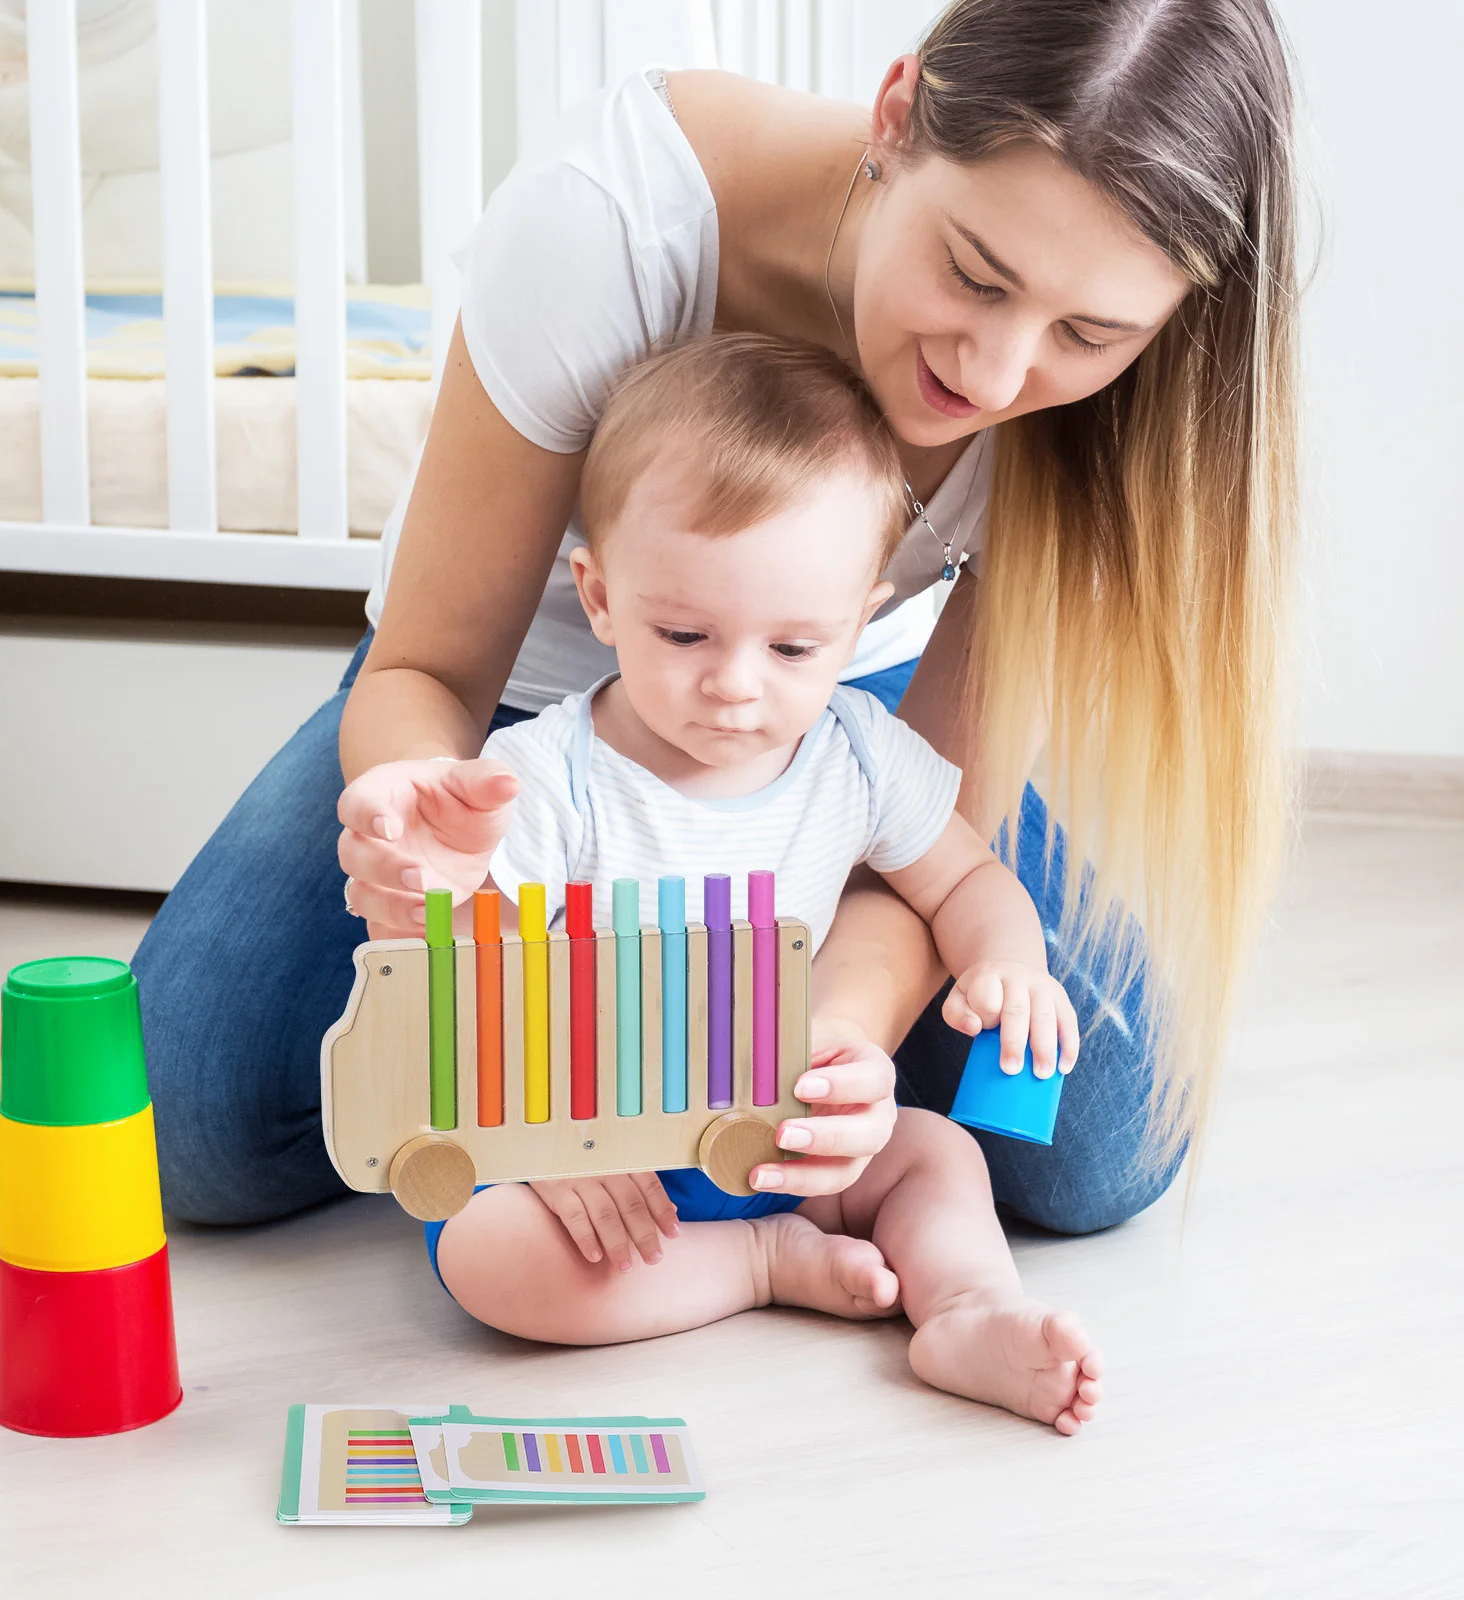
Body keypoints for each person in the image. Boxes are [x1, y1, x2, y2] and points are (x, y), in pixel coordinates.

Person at [135, 1, 1301, 1252]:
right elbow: (430, 668)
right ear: (896, 115)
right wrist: (454, 886)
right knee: (186, 1119)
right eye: (974, 273)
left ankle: (754, 1078)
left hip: (838, 725)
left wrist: (828, 1042)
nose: (999, 374)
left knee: (1097, 1157)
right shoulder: (615, 219)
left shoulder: (1105, 413)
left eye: (1088, 333)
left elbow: (933, 832)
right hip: (519, 718)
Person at [391, 332, 1102, 1433]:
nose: (732, 685)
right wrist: (535, 1138)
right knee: (488, 1255)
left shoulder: (856, 754)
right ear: (599, 597)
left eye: (792, 649)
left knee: (935, 1152)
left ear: (859, 622)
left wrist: (1009, 963)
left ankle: (967, 1306)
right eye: (684, 632)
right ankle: (758, 1266)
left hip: (780, 1135)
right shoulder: (543, 779)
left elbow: (966, 877)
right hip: (592, 1153)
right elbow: (460, 983)